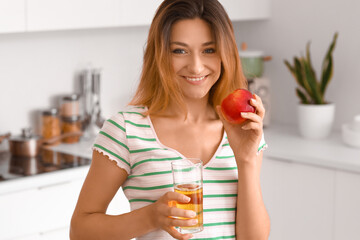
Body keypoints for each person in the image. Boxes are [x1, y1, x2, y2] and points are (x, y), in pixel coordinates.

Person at [70, 0, 270, 239]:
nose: (196, 67)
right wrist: (151, 217)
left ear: (224, 54)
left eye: (209, 50)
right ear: (160, 55)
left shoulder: (242, 128)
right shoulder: (126, 129)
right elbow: (80, 231)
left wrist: (246, 158)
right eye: (179, 50)